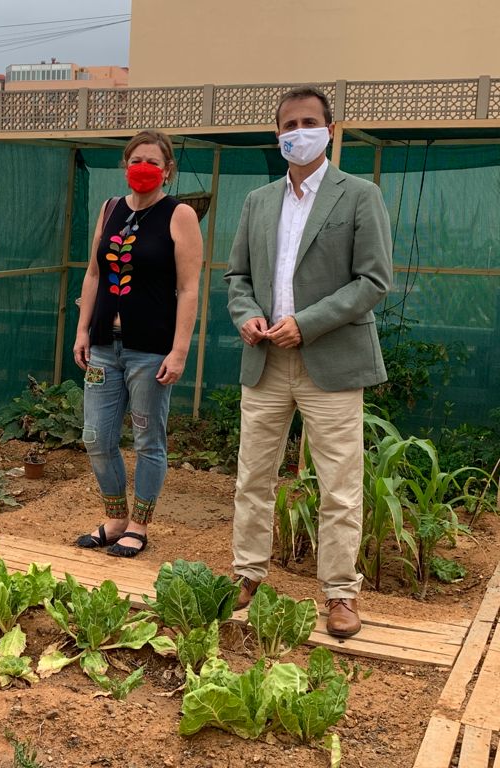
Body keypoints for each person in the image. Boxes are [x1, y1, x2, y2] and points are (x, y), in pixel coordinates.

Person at [225, 86, 393, 637]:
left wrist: (308, 322)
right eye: (288, 124)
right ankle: (247, 574)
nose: (298, 131)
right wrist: (247, 314)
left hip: (331, 361)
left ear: (329, 128)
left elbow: (373, 280)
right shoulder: (258, 200)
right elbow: (238, 278)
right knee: (253, 475)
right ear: (278, 135)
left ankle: (341, 593)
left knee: (340, 483)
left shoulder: (359, 195)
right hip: (266, 360)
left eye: (308, 121)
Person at [73, 130, 203, 558]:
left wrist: (180, 349)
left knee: (148, 439)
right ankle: (114, 517)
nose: (142, 168)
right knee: (96, 435)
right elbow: (94, 274)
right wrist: (82, 330)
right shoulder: (110, 208)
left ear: (168, 169)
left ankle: (139, 525)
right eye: (135, 160)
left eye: (151, 161)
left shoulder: (179, 214)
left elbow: (188, 288)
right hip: (103, 347)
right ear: (125, 165)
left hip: (150, 350)